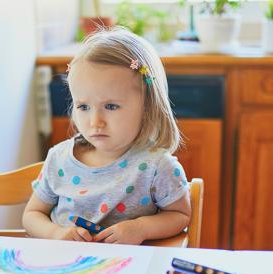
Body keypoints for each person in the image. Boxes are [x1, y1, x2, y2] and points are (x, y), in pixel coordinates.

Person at [23, 26, 191, 245]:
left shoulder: (157, 167)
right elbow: (31, 215)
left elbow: (180, 216)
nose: (95, 122)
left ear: (148, 107)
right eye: (83, 107)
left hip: (126, 271)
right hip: (64, 269)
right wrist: (55, 233)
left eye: (111, 106)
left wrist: (140, 228)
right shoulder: (59, 159)